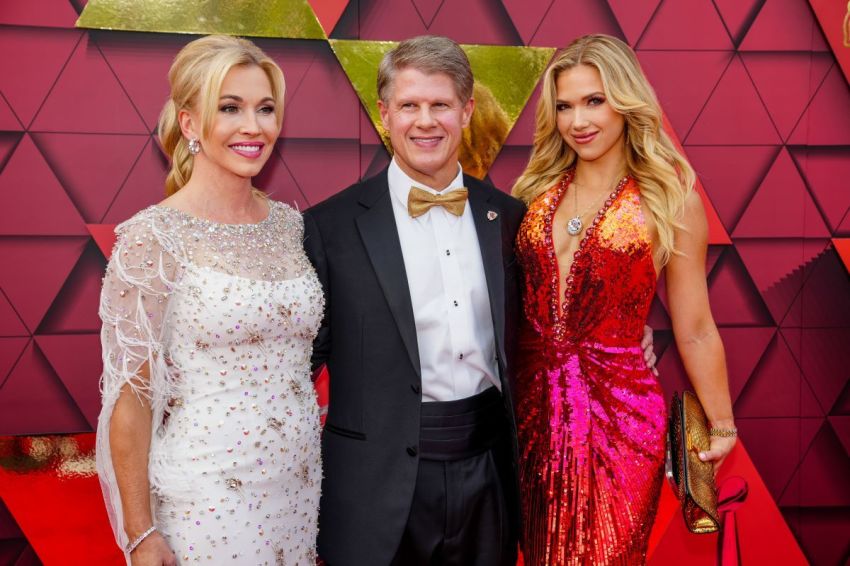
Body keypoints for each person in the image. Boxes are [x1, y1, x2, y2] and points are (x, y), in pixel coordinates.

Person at [96, 35, 323, 565]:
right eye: (230, 108)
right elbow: (131, 399)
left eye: (265, 109)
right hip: (205, 499)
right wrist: (140, 533)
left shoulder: (289, 226)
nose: (253, 126)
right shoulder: (152, 239)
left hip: (297, 492)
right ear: (190, 123)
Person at [511, 34, 737, 564]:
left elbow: (695, 326)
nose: (578, 121)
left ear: (626, 101)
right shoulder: (531, 194)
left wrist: (722, 422)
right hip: (529, 417)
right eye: (564, 106)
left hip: (622, 421)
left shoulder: (668, 199)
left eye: (595, 101)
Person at [302, 35, 524, 566]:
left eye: (440, 104)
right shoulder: (329, 227)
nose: (425, 122)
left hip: (490, 471)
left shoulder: (510, 219)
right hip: (375, 487)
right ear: (385, 114)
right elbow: (297, 360)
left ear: (467, 111)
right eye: (409, 106)